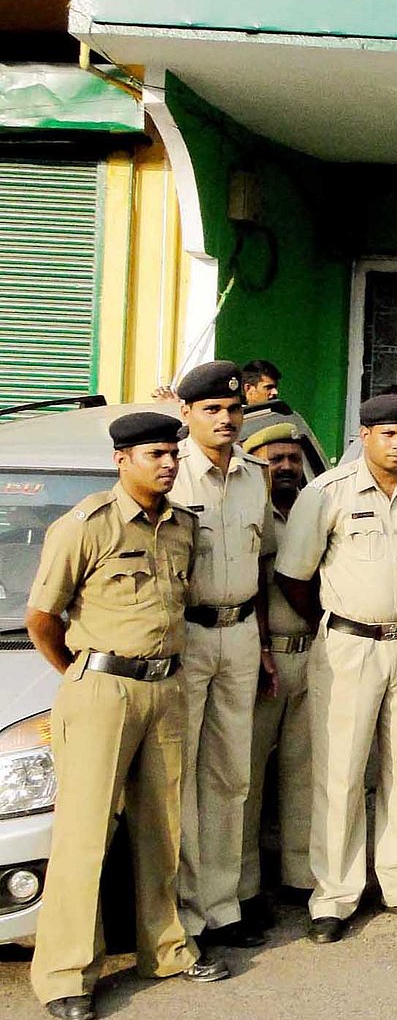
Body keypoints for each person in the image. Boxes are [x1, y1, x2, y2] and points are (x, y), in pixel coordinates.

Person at [25, 412, 228, 1020]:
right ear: (122, 460)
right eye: (155, 454)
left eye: (173, 453)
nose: (168, 464)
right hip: (103, 690)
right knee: (86, 836)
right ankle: (65, 974)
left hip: (166, 688)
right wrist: (83, 676)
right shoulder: (86, 525)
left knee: (162, 827)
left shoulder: (182, 527)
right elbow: (43, 618)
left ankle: (164, 948)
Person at [276, 393, 397, 941]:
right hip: (349, 644)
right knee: (340, 770)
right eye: (387, 436)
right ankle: (334, 893)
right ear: (364, 436)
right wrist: (334, 621)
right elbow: (294, 575)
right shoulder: (326, 493)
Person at [172, 361, 276, 949]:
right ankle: (186, 911)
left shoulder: (253, 475)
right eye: (212, 410)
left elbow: (260, 568)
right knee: (182, 776)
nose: (226, 419)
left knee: (231, 773)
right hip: (187, 635)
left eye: (234, 410)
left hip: (238, 633)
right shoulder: (172, 474)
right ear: (186, 414)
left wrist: (261, 643)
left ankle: (222, 902)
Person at [237, 423, 315, 934]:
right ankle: (244, 887)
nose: (285, 467)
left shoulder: (313, 509)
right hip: (264, 660)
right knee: (246, 777)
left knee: (306, 771)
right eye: (274, 460)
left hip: (315, 653)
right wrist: (263, 646)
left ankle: (300, 875)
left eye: (292, 459)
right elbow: (254, 589)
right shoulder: (250, 516)